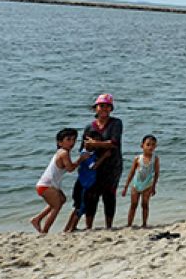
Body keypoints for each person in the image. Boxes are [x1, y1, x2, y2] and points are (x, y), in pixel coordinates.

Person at [81, 93, 123, 229]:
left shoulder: (116, 123)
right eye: (101, 106)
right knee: (90, 197)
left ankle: (109, 226)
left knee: (109, 195)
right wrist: (91, 146)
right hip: (93, 167)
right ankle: (89, 226)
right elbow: (84, 147)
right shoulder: (89, 127)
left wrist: (96, 144)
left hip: (112, 166)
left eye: (107, 106)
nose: (104, 109)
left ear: (111, 109)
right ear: (95, 108)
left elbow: (113, 143)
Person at [32, 128, 85, 234]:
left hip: (49, 185)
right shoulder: (63, 153)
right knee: (56, 206)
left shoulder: (63, 152)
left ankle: (37, 219)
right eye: (68, 139)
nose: (72, 143)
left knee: (62, 200)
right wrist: (81, 159)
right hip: (45, 186)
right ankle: (44, 231)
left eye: (74, 140)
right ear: (60, 142)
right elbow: (70, 169)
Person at [63, 132, 107, 233]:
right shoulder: (85, 154)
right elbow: (93, 166)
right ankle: (71, 228)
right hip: (83, 185)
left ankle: (69, 227)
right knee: (80, 207)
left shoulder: (92, 153)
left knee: (81, 207)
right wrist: (104, 156)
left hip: (89, 184)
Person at [122, 135, 160, 227]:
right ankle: (129, 224)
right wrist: (126, 187)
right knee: (133, 205)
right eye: (148, 145)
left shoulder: (155, 159)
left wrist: (154, 187)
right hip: (136, 184)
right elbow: (131, 173)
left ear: (155, 146)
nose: (150, 147)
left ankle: (144, 224)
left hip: (147, 185)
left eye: (153, 145)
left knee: (145, 204)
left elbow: (156, 173)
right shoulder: (138, 159)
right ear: (142, 146)